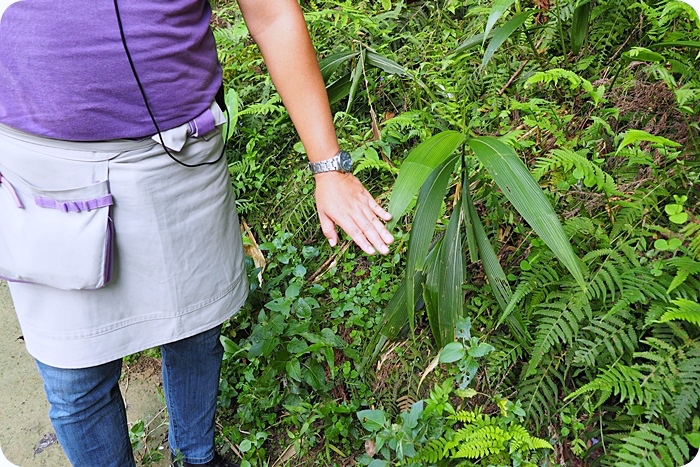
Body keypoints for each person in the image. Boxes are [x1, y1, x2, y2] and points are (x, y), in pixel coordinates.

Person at [0, 0, 394, 466]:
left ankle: (198, 457)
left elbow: (273, 14)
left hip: (180, 158)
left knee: (197, 328)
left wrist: (328, 167)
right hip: (45, 170)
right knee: (75, 379)